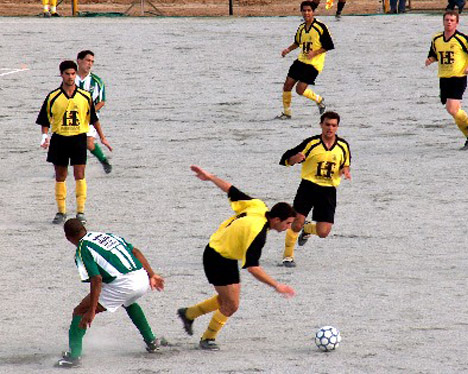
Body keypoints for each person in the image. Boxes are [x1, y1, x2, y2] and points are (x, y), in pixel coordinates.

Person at [177, 165, 296, 350]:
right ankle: (207, 338)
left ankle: (189, 314)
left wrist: (210, 177)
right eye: (287, 223)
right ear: (276, 220)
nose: (288, 228)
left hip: (226, 254)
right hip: (216, 257)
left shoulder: (259, 205)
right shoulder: (258, 233)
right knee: (231, 305)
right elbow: (253, 267)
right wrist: (277, 285)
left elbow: (231, 189)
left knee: (229, 301)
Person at [56, 218, 166, 368]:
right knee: (128, 302)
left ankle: (74, 357)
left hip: (124, 285)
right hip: (141, 277)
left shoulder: (82, 250)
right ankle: (151, 341)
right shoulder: (105, 235)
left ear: (68, 238)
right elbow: (135, 251)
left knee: (80, 311)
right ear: (84, 228)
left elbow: (96, 279)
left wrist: (92, 310)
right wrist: (152, 275)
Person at [36, 60, 112, 225]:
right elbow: (45, 120)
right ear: (61, 75)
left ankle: (80, 211)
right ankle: (61, 211)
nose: (70, 77)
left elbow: (93, 118)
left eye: (72, 74)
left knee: (79, 174)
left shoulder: (85, 97)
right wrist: (44, 136)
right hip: (60, 139)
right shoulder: (53, 97)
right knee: (60, 176)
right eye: (67, 74)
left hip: (78, 138)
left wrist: (102, 137)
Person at [279, 111, 351, 267]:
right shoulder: (311, 143)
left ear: (337, 127)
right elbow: (286, 158)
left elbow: (345, 162)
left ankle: (307, 229)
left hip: (328, 191)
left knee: (323, 232)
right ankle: (288, 256)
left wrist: (345, 170)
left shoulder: (343, 146)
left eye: (333, 125)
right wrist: (294, 159)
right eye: (327, 125)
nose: (330, 128)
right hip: (308, 187)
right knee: (296, 222)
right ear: (321, 125)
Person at [425, 10, 468, 150]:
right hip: (444, 77)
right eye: (447, 20)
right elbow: (435, 54)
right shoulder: (436, 39)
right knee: (453, 110)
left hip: (458, 77)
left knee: (452, 108)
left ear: (457, 23)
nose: (449, 22)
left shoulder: (462, 39)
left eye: (452, 20)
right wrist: (430, 60)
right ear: (443, 21)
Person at [277, 1, 334, 119]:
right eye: (304, 10)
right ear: (301, 12)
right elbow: (297, 42)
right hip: (301, 61)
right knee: (287, 86)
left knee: (299, 90)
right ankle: (287, 113)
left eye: (309, 10)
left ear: (313, 12)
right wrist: (288, 50)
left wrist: (315, 53)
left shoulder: (320, 27)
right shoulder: (301, 27)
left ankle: (319, 99)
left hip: (314, 64)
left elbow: (329, 45)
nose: (306, 13)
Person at [76, 50, 112, 174]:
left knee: (88, 143)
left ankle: (104, 161)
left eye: (92, 62)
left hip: (90, 118)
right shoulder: (70, 77)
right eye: (87, 60)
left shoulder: (97, 82)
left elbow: (102, 101)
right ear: (79, 61)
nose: (90, 64)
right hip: (72, 117)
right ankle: (61, 168)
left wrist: (89, 113)